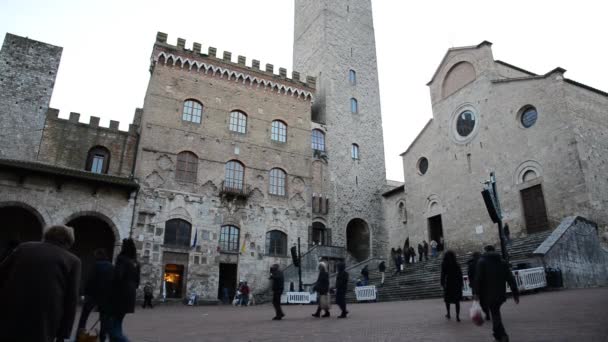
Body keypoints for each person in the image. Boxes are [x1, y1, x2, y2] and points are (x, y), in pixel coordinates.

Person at [0, 225, 81, 342]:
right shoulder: (73, 261)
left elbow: (2, 274)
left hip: (10, 312)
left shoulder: (23, 247)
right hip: (44, 320)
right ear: (69, 241)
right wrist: (63, 334)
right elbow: (71, 299)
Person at [475, 245, 520, 342]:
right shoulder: (502, 262)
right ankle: (497, 335)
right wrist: (515, 293)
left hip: (487, 293)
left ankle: (503, 335)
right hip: (500, 293)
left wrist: (476, 293)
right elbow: (510, 278)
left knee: (495, 314)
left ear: (485, 251)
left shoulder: (481, 262)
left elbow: (478, 279)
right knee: (495, 312)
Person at [78, 249, 114, 341]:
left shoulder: (96, 265)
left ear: (98, 256)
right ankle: (102, 338)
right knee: (104, 319)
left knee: (84, 316)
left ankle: (80, 334)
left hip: (92, 295)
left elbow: (90, 280)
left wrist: (84, 293)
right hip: (106, 297)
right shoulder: (111, 266)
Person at [109, 238, 140, 342]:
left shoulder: (122, 259)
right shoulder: (136, 262)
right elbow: (137, 282)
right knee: (118, 322)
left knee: (112, 326)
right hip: (130, 294)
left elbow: (118, 276)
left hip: (120, 293)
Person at [440, 250, 463, 321]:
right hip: (456, 283)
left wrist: (442, 283)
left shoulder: (444, 264)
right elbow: (460, 274)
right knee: (457, 301)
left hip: (448, 283)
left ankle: (448, 313)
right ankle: (457, 316)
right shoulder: (456, 264)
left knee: (447, 300)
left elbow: (443, 274)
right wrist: (461, 283)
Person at [467, 251, 489, 321]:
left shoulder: (471, 264)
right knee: (484, 299)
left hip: (475, 284)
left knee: (477, 299)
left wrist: (470, 283)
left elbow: (470, 275)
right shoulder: (484, 262)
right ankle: (487, 313)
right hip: (484, 283)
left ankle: (480, 313)